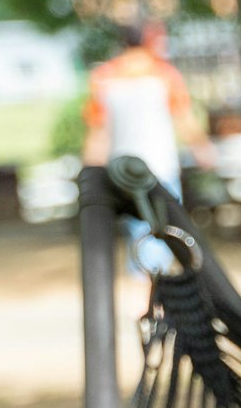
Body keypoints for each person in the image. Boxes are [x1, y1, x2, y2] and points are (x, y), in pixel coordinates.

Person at [83, 19, 201, 278]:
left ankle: (145, 281)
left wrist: (90, 169)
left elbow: (98, 129)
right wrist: (202, 148)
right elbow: (184, 118)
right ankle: (153, 283)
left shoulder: (105, 77)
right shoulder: (163, 74)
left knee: (139, 227)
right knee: (166, 225)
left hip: (122, 168)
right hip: (161, 164)